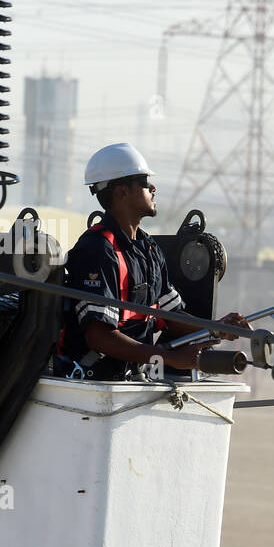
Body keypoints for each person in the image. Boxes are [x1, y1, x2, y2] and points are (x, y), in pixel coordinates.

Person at [53, 142, 247, 380]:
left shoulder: (149, 248)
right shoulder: (97, 250)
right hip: (90, 383)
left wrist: (218, 327)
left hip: (131, 380)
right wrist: (170, 359)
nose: (153, 188)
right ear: (121, 193)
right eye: (144, 182)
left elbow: (172, 317)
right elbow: (99, 337)